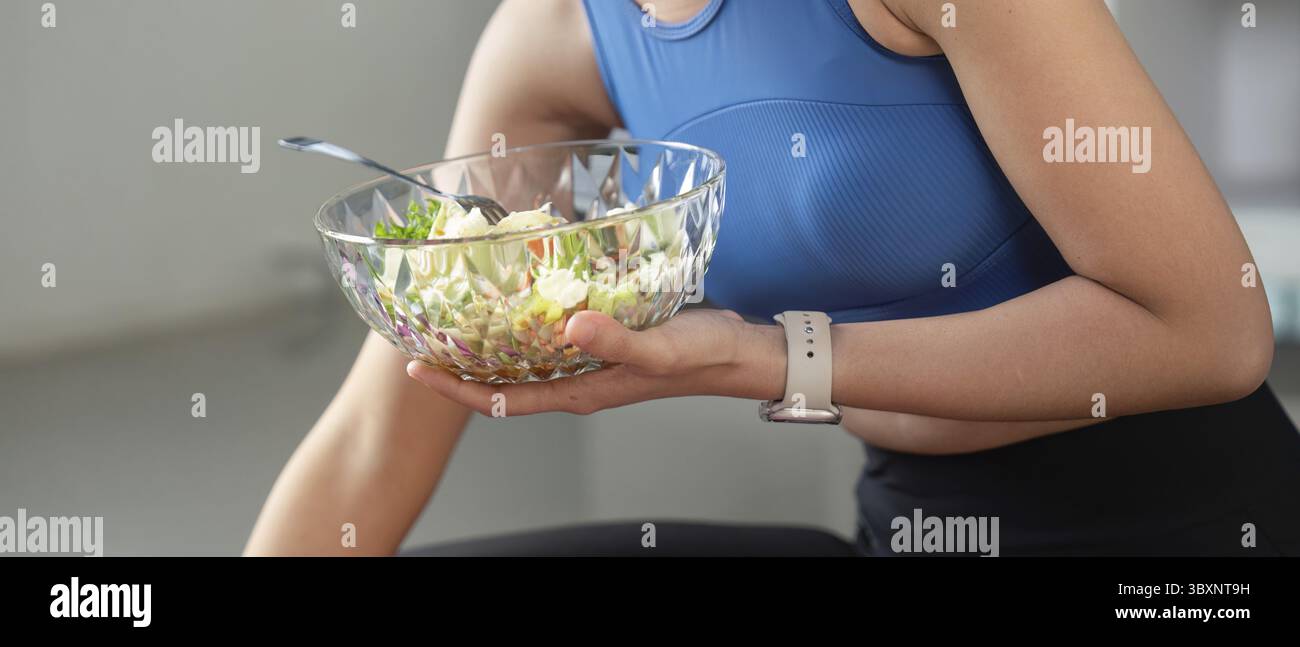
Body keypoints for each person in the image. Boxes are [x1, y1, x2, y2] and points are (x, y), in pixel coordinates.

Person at [246, 0, 1300, 556]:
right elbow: (376, 437)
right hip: (906, 523)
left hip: (1180, 533)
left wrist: (767, 360)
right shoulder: (553, 37)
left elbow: (1210, 332)